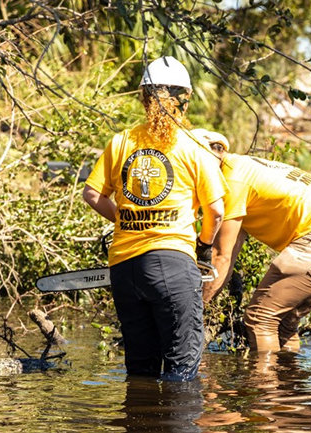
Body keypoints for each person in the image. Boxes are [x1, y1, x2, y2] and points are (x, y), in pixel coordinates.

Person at [82, 56, 227, 381]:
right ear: (186, 99)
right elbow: (216, 211)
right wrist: (204, 245)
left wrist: (125, 220)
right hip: (173, 265)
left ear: (143, 97)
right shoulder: (194, 146)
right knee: (181, 372)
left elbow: (92, 194)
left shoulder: (121, 142)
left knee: (140, 372)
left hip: (125, 268)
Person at [197, 131, 311, 353]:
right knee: (285, 322)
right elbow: (229, 254)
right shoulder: (246, 167)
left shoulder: (231, 180)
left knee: (260, 318)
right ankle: (289, 376)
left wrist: (195, 311)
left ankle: (267, 377)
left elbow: (221, 257)